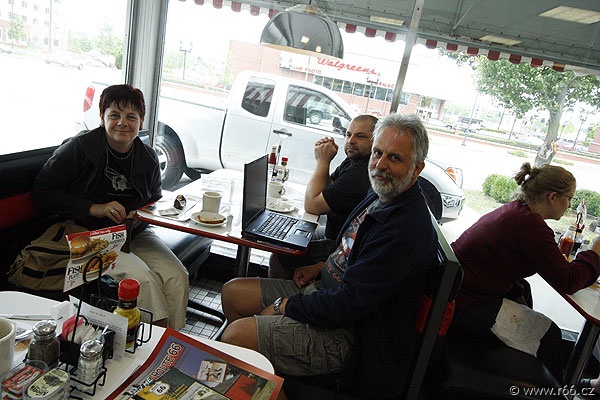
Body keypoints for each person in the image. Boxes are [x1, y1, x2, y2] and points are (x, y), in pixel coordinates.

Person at [220, 113, 438, 399]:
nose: (380, 165)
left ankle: (266, 377)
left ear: (417, 167)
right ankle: (266, 372)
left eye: (394, 158)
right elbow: (351, 247)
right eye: (377, 153)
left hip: (350, 336)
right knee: (232, 293)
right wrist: (323, 264)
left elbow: (348, 305)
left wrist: (286, 306)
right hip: (325, 293)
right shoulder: (382, 194)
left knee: (236, 337)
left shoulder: (402, 232)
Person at [31, 84, 189, 329]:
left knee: (177, 276)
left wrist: (141, 214)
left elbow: (154, 199)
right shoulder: (80, 148)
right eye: (114, 115)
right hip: (86, 234)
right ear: (102, 117)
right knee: (143, 279)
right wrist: (94, 208)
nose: (122, 123)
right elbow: (42, 191)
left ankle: (173, 337)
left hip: (132, 233)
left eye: (131, 117)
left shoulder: (147, 157)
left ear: (141, 121)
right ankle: (151, 340)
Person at [449, 162, 600, 381]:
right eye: (569, 198)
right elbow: (569, 281)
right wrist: (595, 252)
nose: (569, 206)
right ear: (552, 196)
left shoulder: (516, 211)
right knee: (551, 335)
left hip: (458, 292)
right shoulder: (530, 225)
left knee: (524, 290)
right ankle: (551, 392)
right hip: (464, 305)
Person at [268, 114, 377, 279]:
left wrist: (322, 161)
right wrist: (326, 161)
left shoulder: (360, 174)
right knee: (288, 234)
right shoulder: (353, 160)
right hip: (334, 233)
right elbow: (330, 187)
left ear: (376, 140)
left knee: (280, 255)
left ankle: (287, 291)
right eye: (348, 135)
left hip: (340, 244)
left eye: (360, 136)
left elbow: (312, 205)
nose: (351, 141)